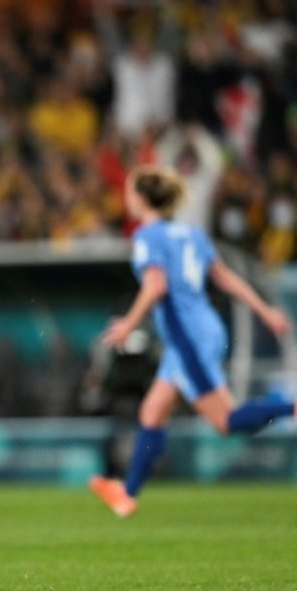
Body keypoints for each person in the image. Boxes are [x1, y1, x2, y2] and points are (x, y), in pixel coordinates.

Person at [90, 166, 295, 517]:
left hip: (188, 337)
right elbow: (224, 277)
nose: (126, 199)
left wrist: (128, 324)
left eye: (129, 193)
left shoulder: (147, 236)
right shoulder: (191, 233)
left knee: (226, 421)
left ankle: (290, 406)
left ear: (141, 198)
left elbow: (156, 286)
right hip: (200, 329)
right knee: (151, 412)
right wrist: (265, 311)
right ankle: (127, 494)